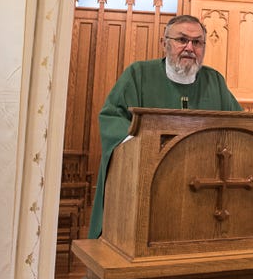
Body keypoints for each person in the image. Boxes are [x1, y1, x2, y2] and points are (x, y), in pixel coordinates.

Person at [88, 14, 241, 238]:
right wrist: (139, 147)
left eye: (197, 42)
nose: (190, 47)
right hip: (148, 185)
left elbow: (241, 125)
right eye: (182, 40)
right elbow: (112, 117)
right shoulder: (138, 75)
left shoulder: (214, 81)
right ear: (165, 43)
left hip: (202, 188)